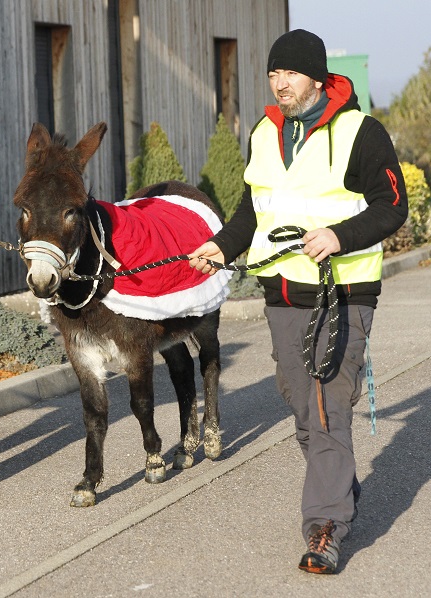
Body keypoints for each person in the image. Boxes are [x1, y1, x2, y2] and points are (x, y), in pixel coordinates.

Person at [190, 29, 407, 574]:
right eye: (272, 75)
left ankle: (325, 527)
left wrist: (340, 235)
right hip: (281, 295)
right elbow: (251, 209)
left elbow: (392, 205)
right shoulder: (264, 132)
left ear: (316, 77)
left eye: (288, 74)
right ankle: (340, 486)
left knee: (328, 407)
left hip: (342, 292)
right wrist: (219, 245)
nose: (279, 84)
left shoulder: (361, 132)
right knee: (302, 406)